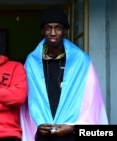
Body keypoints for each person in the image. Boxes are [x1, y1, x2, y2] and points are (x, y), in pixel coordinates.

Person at [20, 6, 108, 141]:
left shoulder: (81, 60)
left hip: (71, 134)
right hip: (43, 134)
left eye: (58, 27)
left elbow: (91, 101)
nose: (53, 32)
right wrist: (36, 124)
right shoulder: (32, 62)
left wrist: (74, 127)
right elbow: (26, 102)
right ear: (42, 31)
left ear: (65, 30)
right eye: (48, 28)